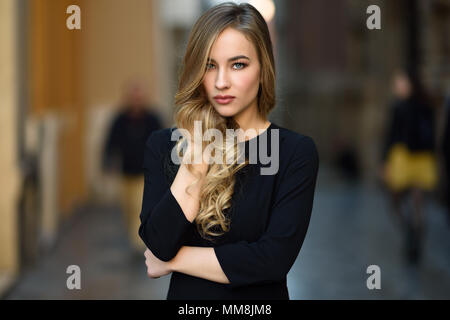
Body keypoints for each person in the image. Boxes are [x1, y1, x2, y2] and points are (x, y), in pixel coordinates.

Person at [139, 2, 319, 300]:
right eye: (210, 65)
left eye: (238, 64)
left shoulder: (294, 153)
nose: (222, 82)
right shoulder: (164, 146)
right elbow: (158, 241)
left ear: (263, 69)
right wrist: (196, 162)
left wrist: (175, 260)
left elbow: (273, 260)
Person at [382, 69, 437, 264]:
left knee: (412, 202)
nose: (397, 86)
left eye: (400, 82)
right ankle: (412, 232)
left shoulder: (414, 106)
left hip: (413, 158)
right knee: (405, 201)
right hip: (411, 159)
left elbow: (393, 135)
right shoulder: (408, 105)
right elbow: (392, 134)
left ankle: (414, 238)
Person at [103, 81, 163, 253]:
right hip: (125, 171)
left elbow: (162, 143)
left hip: (145, 172)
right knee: (127, 206)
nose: (136, 101)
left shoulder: (152, 119)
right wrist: (107, 162)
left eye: (139, 97)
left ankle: (138, 243)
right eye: (133, 97)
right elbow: (110, 142)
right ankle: (133, 236)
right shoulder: (120, 119)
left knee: (139, 206)